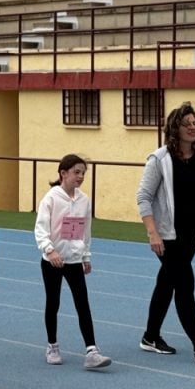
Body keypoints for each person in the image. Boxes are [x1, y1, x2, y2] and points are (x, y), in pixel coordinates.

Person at [136, 102, 195, 363]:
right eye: (187, 123)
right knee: (185, 283)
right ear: (175, 128)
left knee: (167, 283)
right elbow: (143, 197)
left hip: (191, 236)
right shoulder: (159, 160)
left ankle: (150, 336)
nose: (192, 127)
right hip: (167, 237)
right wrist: (152, 233)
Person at [34, 154, 111, 370]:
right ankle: (52, 345)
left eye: (83, 173)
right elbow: (40, 229)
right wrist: (50, 251)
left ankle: (92, 350)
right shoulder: (51, 198)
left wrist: (86, 255)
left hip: (74, 259)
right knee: (53, 302)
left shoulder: (84, 200)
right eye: (77, 172)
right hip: (53, 261)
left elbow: (85, 231)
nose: (80, 177)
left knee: (82, 303)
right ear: (63, 173)